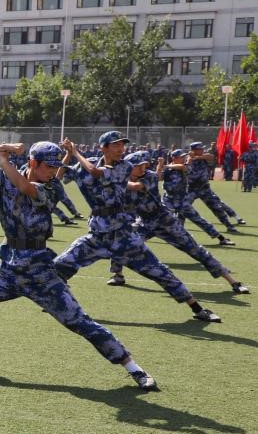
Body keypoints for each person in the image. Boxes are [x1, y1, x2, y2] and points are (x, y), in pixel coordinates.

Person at [0, 141, 158, 390]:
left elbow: (24, 188)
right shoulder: (4, 178)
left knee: (79, 322)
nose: (54, 171)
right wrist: (2, 147)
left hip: (40, 274)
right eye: (49, 166)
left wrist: (2, 160)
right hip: (9, 270)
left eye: (56, 167)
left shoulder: (51, 187)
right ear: (33, 162)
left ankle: (134, 368)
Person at [53, 132, 221, 323]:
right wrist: (68, 154)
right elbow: (59, 177)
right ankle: (58, 302)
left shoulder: (123, 167)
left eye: (122, 145)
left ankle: (197, 308)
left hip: (123, 235)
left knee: (159, 271)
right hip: (97, 236)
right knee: (59, 265)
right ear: (103, 147)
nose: (121, 149)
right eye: (115, 145)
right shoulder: (84, 164)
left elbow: (96, 172)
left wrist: (75, 152)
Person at [106, 150, 249, 294]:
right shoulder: (124, 180)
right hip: (144, 222)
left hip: (165, 221)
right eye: (138, 166)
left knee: (195, 250)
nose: (142, 168)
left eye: (143, 165)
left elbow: (136, 187)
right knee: (121, 243)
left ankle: (233, 282)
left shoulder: (150, 176)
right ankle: (118, 275)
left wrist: (114, 181)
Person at [160, 149, 235, 246]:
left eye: (184, 157)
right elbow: (159, 177)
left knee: (198, 220)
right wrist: (160, 165)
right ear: (174, 158)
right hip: (168, 200)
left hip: (181, 201)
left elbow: (183, 167)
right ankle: (142, 236)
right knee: (159, 220)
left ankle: (221, 238)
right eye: (181, 157)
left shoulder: (186, 166)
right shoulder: (168, 169)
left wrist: (166, 166)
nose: (183, 158)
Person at [186, 142, 244, 231]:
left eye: (202, 149)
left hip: (205, 188)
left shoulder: (203, 157)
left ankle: (229, 225)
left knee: (217, 207)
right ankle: (178, 226)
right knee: (183, 207)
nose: (203, 150)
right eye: (200, 149)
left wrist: (197, 157)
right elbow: (184, 167)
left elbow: (211, 156)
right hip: (191, 189)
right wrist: (190, 159)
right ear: (194, 150)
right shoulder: (187, 159)